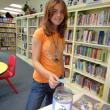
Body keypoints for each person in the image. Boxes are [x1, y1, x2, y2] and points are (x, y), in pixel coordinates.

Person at [25, 0, 68, 110]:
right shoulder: (39, 33)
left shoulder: (61, 33)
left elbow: (60, 57)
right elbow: (35, 61)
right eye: (54, 11)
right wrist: (49, 76)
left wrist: (62, 78)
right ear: (48, 13)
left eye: (62, 11)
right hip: (40, 82)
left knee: (51, 107)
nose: (59, 15)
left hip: (57, 81)